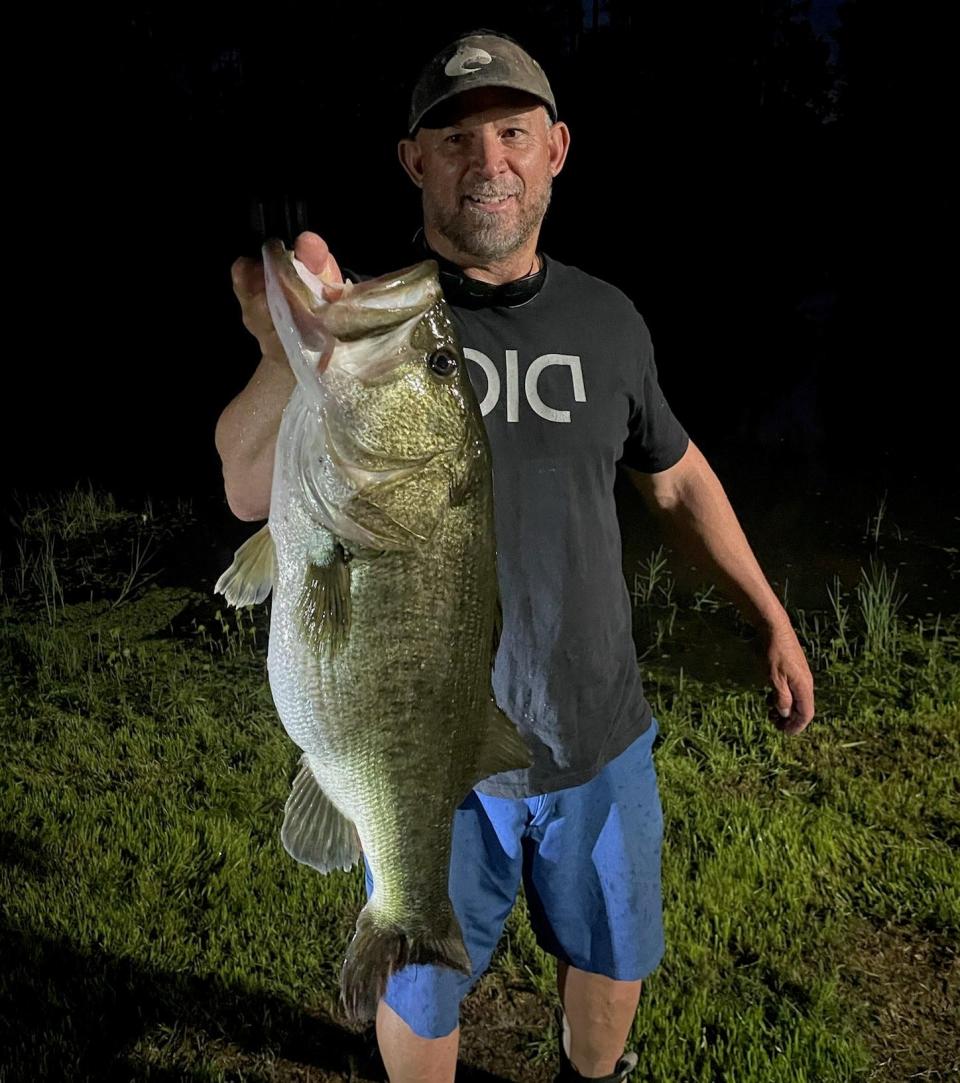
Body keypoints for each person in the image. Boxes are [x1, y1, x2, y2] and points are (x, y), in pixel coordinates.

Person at [215, 29, 815, 1083]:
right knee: (419, 974)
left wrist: (767, 612)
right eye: (453, 139)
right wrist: (283, 350)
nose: (485, 159)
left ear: (555, 150)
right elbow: (246, 484)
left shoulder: (609, 320)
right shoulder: (374, 326)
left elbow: (674, 478)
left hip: (601, 729)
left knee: (612, 949)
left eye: (511, 132)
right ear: (415, 162)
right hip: (437, 755)